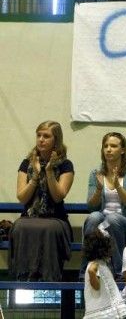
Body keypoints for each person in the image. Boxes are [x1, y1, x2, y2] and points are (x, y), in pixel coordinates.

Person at [10, 120, 74, 281]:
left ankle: (48, 277)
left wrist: (50, 172)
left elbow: (59, 196)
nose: (41, 139)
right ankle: (24, 275)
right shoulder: (27, 164)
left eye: (46, 136)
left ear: (56, 140)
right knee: (18, 227)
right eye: (38, 135)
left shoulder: (66, 165)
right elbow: (22, 197)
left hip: (55, 218)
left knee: (50, 228)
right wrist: (36, 176)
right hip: (30, 216)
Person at [81, 132, 126, 280]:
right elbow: (91, 207)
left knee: (113, 219)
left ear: (122, 150)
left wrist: (118, 187)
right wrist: (99, 189)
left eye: (113, 146)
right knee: (94, 217)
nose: (108, 149)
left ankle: (119, 271)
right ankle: (87, 269)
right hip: (103, 221)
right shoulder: (96, 173)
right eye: (106, 146)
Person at [83, 227, 126, 319]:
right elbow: (96, 286)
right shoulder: (94, 265)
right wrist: (92, 273)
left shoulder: (101, 264)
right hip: (102, 309)